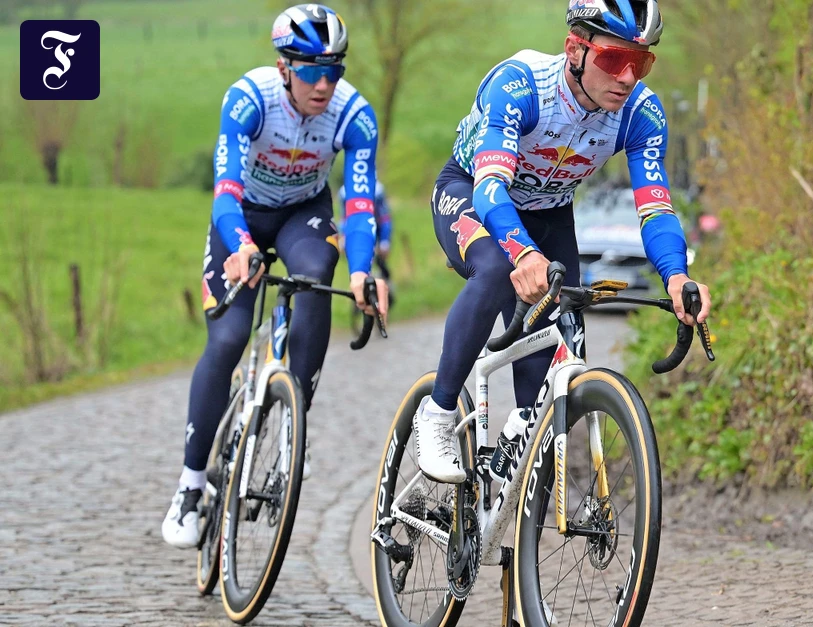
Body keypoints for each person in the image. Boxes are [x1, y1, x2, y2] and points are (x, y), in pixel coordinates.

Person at [413, 0, 712, 483]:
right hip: (473, 193)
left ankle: (509, 474)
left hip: (550, 214)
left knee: (548, 399)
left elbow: (655, 209)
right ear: (575, 49)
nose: (627, 77)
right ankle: (439, 412)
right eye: (614, 59)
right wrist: (523, 253)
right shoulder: (521, 85)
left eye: (641, 63)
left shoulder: (641, 114)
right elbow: (490, 188)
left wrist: (676, 276)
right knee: (496, 270)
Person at [162, 4, 388, 548]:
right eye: (311, 72)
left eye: (334, 71)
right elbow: (225, 190)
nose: (324, 84)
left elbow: (359, 205)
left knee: (317, 272)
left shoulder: (354, 116)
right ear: (284, 67)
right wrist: (241, 246)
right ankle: (191, 485)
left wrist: (363, 271)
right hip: (242, 217)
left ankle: (293, 424)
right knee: (229, 339)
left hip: (301, 215)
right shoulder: (250, 100)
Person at [337, 180, 395, 305]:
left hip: (377, 228)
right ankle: (358, 296)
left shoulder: (377, 190)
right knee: (358, 265)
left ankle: (388, 292)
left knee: (381, 263)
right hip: (356, 229)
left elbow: (384, 219)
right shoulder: (344, 192)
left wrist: (384, 242)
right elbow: (344, 218)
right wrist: (343, 239)